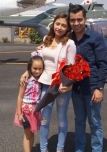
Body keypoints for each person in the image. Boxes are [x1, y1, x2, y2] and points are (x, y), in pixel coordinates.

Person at [20, 13, 76, 152]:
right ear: (53, 24)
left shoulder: (69, 43)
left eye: (64, 25)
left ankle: (60, 148)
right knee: (44, 118)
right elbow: (38, 59)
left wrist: (69, 86)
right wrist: (28, 71)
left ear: (68, 27)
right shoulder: (46, 39)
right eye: (58, 24)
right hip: (45, 84)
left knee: (62, 117)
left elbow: (71, 67)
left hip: (61, 86)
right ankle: (44, 149)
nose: (60, 27)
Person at [68, 3, 107, 152]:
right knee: (79, 121)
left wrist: (99, 88)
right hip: (75, 88)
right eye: (72, 20)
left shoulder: (96, 38)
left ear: (85, 19)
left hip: (92, 88)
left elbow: (103, 65)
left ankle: (96, 149)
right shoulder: (68, 38)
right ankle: (79, 149)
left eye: (79, 19)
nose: (76, 23)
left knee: (94, 122)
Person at [15, 55, 44, 152]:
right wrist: (19, 113)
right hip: (26, 111)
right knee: (27, 134)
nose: (37, 71)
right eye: (35, 68)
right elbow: (20, 97)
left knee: (32, 133)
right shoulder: (25, 80)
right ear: (30, 68)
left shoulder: (41, 79)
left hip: (35, 111)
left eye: (40, 69)